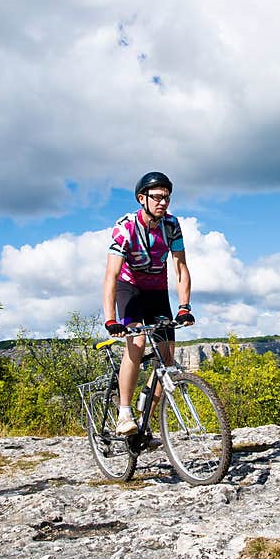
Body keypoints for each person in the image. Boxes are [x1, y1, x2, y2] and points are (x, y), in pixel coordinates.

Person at [102, 171, 195, 436]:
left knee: (166, 358)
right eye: (157, 197)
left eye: (167, 197)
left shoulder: (172, 225)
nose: (163, 202)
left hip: (156, 290)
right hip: (129, 288)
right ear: (142, 198)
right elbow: (111, 275)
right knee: (138, 341)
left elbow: (180, 267)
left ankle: (145, 424)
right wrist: (111, 319)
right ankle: (124, 413)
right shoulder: (125, 226)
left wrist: (184, 306)